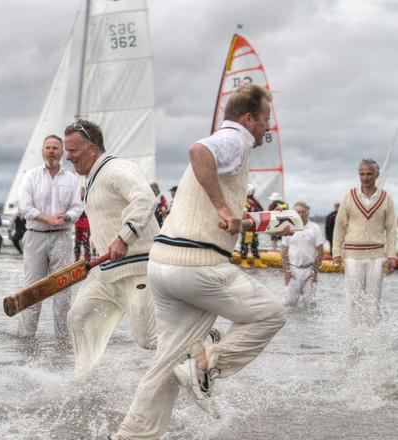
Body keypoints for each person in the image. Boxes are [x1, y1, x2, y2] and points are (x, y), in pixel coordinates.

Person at [112, 84, 286, 440]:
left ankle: (132, 436)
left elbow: (208, 173)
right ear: (248, 118)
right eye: (265, 119)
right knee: (271, 314)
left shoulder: (232, 145)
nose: (268, 128)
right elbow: (199, 150)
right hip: (197, 265)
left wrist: (244, 214)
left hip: (163, 266)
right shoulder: (235, 138)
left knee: (166, 368)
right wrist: (223, 207)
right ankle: (206, 366)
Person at [64, 119, 158, 373]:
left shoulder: (117, 169)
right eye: (66, 151)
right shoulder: (91, 178)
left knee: (148, 339)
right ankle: (84, 380)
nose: (68, 157)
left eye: (72, 151)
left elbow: (145, 199)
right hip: (106, 271)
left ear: (92, 148)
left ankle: (205, 339)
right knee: (79, 317)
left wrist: (124, 237)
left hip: (138, 267)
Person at [17, 134, 83, 340]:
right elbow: (24, 206)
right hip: (35, 236)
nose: (52, 151)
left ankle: (63, 339)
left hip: (62, 236)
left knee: (63, 288)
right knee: (33, 288)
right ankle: (26, 338)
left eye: (56, 148)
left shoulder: (72, 179)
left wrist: (67, 217)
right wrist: (47, 219)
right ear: (42, 151)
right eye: (48, 147)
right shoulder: (31, 176)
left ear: (62, 151)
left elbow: (78, 206)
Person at [332, 159, 396, 326]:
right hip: (353, 254)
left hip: (377, 255)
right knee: (353, 298)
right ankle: (353, 336)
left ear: (377, 175)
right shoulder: (349, 196)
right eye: (362, 174)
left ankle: (371, 335)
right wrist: (336, 252)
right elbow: (339, 226)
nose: (365, 178)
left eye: (369, 174)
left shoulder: (386, 198)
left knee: (373, 299)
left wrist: (391, 254)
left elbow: (391, 229)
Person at [281, 201, 323, 308]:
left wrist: (314, 272)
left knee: (310, 305)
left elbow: (320, 252)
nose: (301, 214)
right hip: (293, 270)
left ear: (307, 212)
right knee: (289, 304)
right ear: (294, 213)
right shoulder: (288, 227)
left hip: (309, 270)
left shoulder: (315, 228)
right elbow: (284, 251)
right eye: (298, 212)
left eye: (303, 212)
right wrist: (286, 270)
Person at [240, 184, 266, 269]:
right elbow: (244, 212)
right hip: (248, 227)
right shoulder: (245, 201)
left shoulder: (253, 201)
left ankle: (257, 260)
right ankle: (243, 260)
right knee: (245, 243)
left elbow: (260, 211)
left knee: (255, 243)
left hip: (255, 226)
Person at [74, 187, 91, 263]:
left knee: (86, 243)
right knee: (77, 244)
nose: (80, 194)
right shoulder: (77, 202)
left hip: (85, 225)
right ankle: (76, 260)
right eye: (80, 192)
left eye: (82, 192)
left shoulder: (87, 201)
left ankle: (87, 260)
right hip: (78, 225)